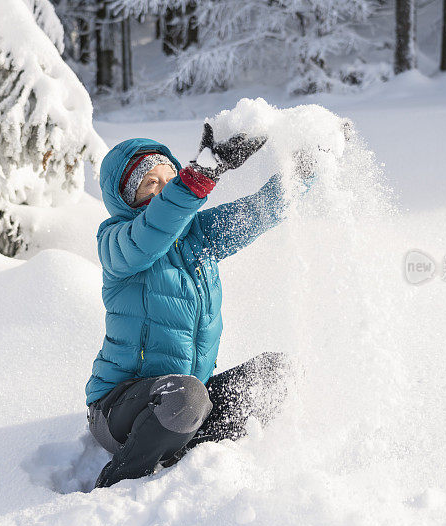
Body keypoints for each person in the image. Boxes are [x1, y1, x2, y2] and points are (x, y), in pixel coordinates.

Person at [86, 124, 310, 488]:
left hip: (187, 399)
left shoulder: (199, 236)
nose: (162, 191)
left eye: (168, 177)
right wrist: (202, 176)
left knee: (275, 375)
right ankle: (116, 484)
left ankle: (182, 453)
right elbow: (152, 231)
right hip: (119, 409)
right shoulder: (117, 242)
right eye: (149, 184)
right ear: (127, 200)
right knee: (186, 398)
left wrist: (307, 168)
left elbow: (259, 212)